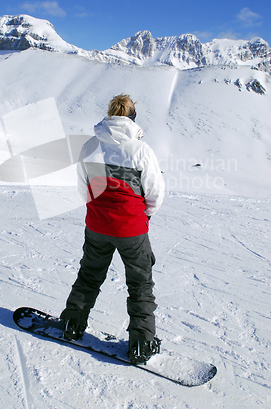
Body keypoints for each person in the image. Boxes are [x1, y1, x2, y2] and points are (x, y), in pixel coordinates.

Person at [60, 94, 165, 364]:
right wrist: (146, 215)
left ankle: (72, 324)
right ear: (132, 118)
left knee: (89, 275)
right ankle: (141, 343)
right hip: (131, 228)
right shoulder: (141, 150)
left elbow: (83, 187)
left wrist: (97, 210)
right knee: (140, 284)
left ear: (109, 115)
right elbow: (155, 192)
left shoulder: (91, 145)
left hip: (96, 224)